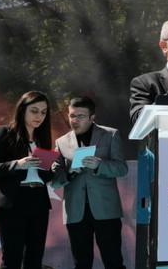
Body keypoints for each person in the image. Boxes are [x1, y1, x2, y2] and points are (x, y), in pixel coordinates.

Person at [51, 96, 128, 269]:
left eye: (80, 116)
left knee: (114, 262)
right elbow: (55, 181)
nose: (74, 120)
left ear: (92, 117)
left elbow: (122, 168)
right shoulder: (61, 142)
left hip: (105, 210)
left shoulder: (110, 134)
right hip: (75, 212)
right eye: (72, 115)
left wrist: (99, 165)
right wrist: (69, 172)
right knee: (81, 264)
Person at [0, 91, 53, 269]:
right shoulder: (5, 132)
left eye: (43, 112)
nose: (39, 116)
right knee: (12, 260)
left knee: (35, 259)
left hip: (39, 201)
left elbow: (45, 175)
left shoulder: (42, 138)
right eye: (34, 111)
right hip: (13, 202)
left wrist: (52, 168)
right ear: (22, 110)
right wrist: (17, 164)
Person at [134, 136, 154, 269]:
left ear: (149, 136)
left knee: (142, 247)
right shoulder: (129, 154)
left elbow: (152, 184)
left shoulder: (150, 157)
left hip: (143, 208)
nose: (141, 138)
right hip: (125, 209)